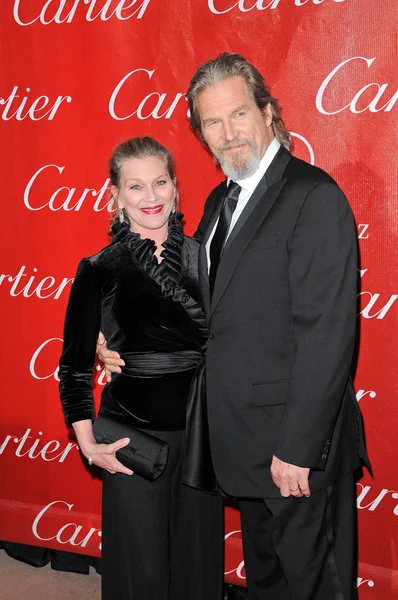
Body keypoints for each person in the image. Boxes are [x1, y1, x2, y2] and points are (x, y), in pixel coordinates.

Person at [99, 54, 370, 600]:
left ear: (268, 112)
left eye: (239, 114)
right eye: (212, 123)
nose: (228, 133)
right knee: (269, 582)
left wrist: (298, 447)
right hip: (241, 445)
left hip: (296, 451)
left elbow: (327, 333)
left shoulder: (312, 196)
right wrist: (116, 338)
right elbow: (199, 311)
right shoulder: (220, 202)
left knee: (314, 585)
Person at [58, 136, 223, 600]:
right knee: (139, 573)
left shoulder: (208, 256)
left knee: (198, 566)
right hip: (131, 437)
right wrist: (90, 446)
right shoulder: (98, 268)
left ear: (176, 187)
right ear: (115, 195)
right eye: (135, 187)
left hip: (201, 432)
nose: (150, 197)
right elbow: (72, 369)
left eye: (160, 182)